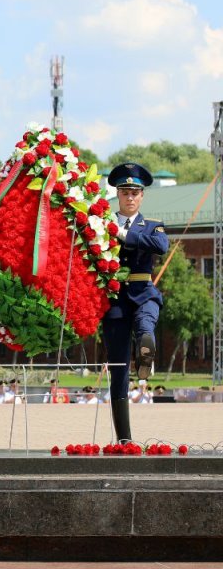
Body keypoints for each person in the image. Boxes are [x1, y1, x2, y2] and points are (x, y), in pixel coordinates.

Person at [102, 162, 168, 442]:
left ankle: (145, 351)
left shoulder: (153, 226)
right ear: (117, 194)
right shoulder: (100, 224)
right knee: (118, 369)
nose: (130, 197)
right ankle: (124, 438)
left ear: (142, 196)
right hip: (115, 301)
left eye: (135, 192)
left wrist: (125, 235)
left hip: (143, 292)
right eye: (125, 192)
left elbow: (161, 247)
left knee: (146, 323)